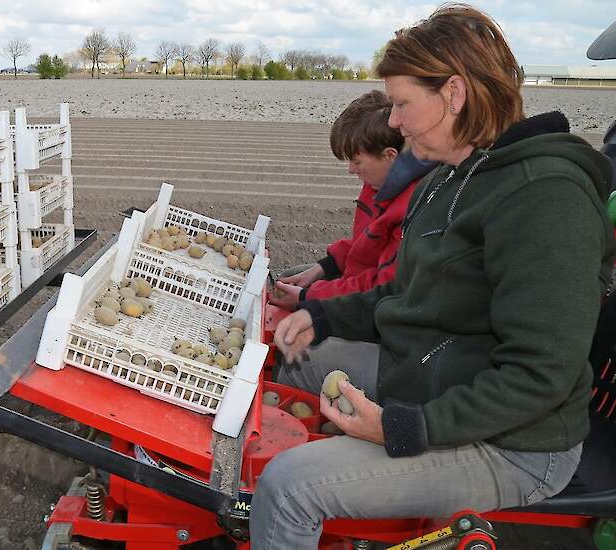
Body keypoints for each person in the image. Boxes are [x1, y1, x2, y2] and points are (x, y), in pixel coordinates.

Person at [250, 4, 616, 549]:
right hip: (436, 374)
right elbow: (406, 291)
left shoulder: (547, 198)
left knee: (288, 486)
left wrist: (402, 429)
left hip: (513, 443)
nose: (392, 120)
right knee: (296, 358)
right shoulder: (447, 179)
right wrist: (320, 314)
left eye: (401, 103)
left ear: (453, 94)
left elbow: (541, 376)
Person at [270, 91, 435, 311]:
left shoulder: (412, 208)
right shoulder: (377, 183)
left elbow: (381, 287)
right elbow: (365, 245)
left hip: (377, 307)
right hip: (360, 281)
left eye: (357, 161)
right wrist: (323, 268)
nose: (350, 170)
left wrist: (309, 298)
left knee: (301, 335)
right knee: (293, 277)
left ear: (390, 155)